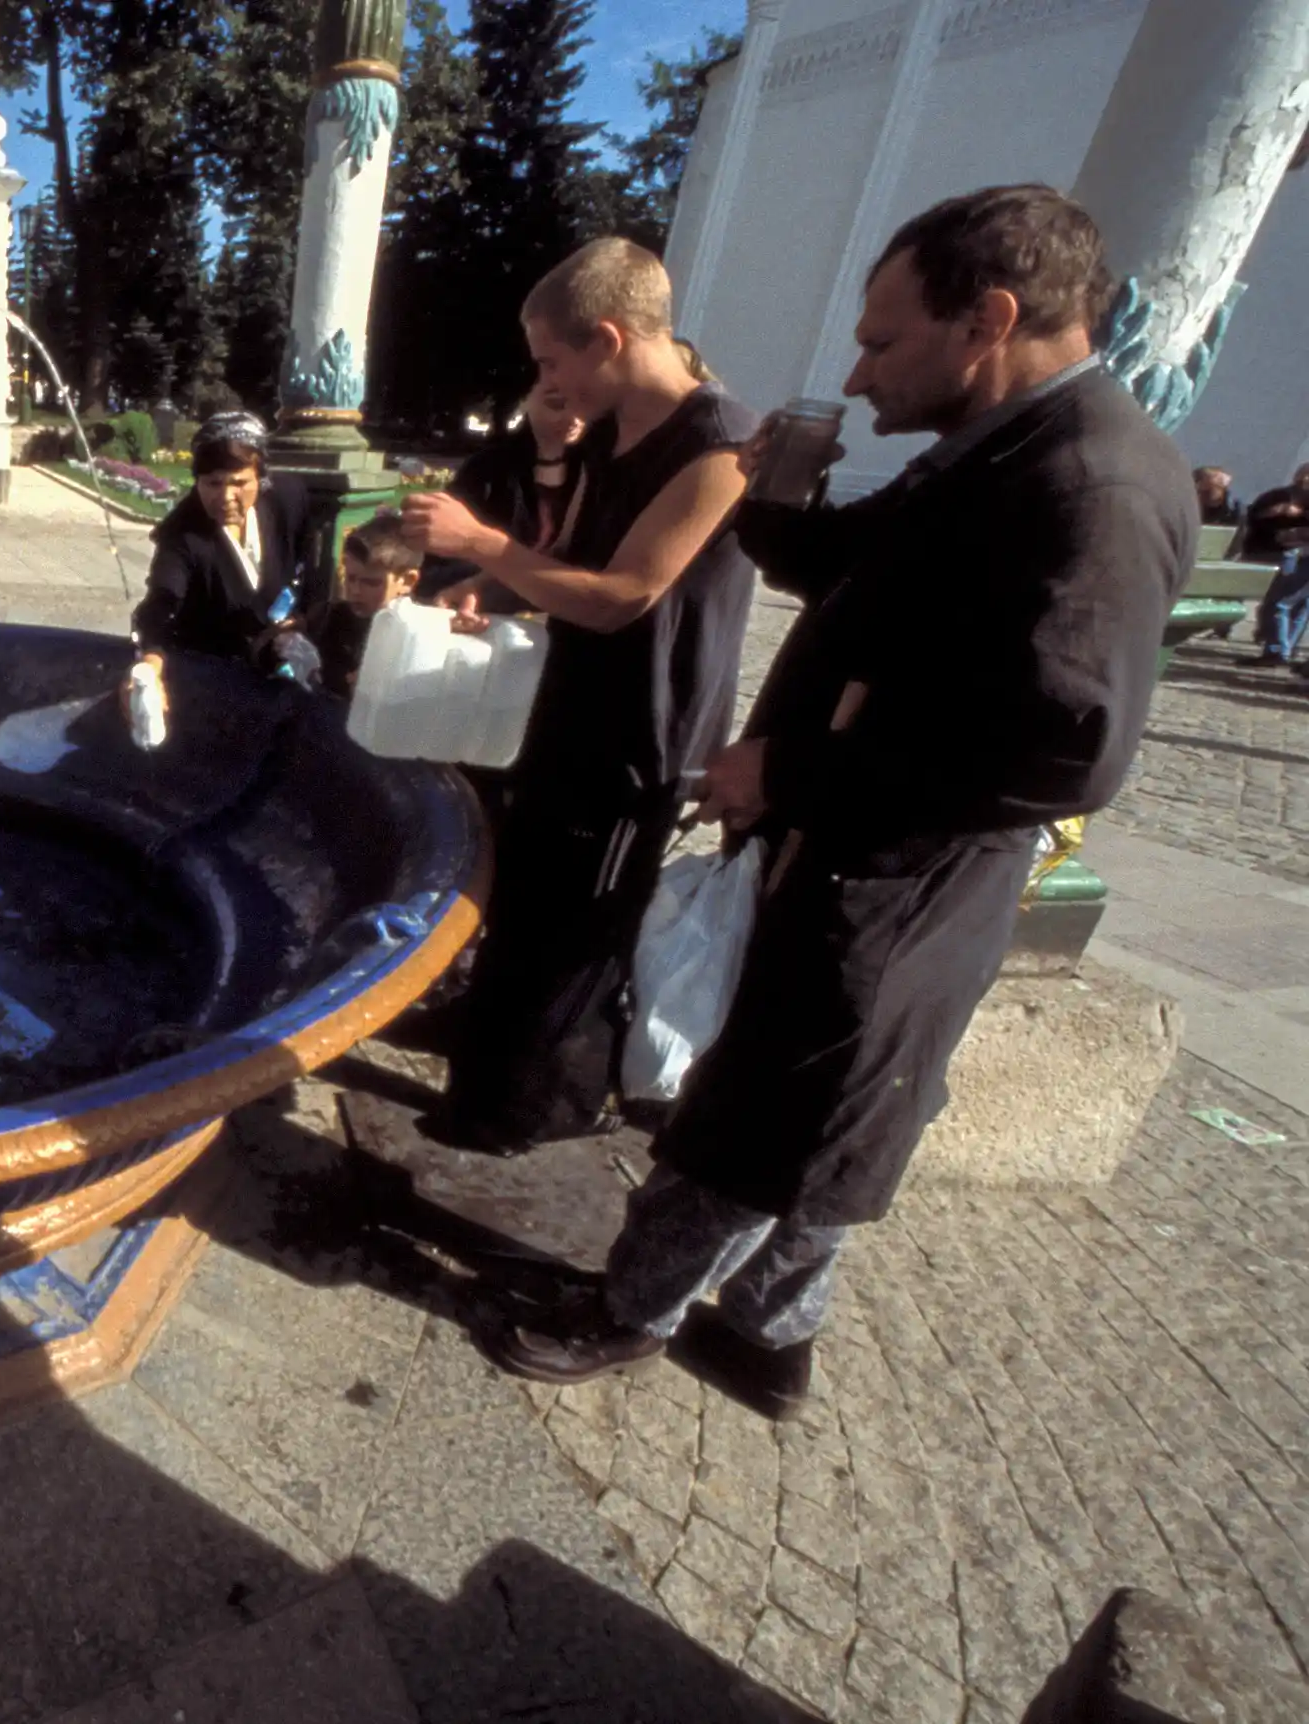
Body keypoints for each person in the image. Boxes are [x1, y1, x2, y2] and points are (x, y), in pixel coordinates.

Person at [481, 186, 1193, 1416]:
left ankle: (623, 1311)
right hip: (864, 856)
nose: (857, 376)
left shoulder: (1088, 488)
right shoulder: (993, 449)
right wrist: (773, 494)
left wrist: (789, 770)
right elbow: (843, 568)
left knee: (769, 1108)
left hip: (903, 876)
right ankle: (767, 1336)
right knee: (837, 1108)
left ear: (989, 319)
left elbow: (1063, 752)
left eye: (880, 341)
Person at [400, 238, 758, 1151]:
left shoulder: (718, 446)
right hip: (568, 717)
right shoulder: (610, 434)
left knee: (578, 937)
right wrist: (504, 588)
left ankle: (527, 1114)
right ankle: (488, 1062)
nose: (546, 382)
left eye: (552, 359)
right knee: (524, 906)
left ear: (606, 338)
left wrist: (483, 546)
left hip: (644, 737)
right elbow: (574, 570)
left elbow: (627, 596)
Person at [132, 412, 324, 702]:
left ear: (261, 478)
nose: (226, 496)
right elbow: (159, 605)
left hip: (278, 667)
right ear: (197, 481)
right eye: (213, 483)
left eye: (239, 483)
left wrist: (302, 619)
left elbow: (310, 566)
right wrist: (150, 667)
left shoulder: (288, 499)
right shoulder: (182, 534)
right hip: (211, 676)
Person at [425, 380, 591, 593]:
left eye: (584, 405)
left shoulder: (598, 468)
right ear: (526, 402)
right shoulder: (486, 468)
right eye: (557, 404)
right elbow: (443, 552)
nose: (574, 419)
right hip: (490, 596)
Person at [313, 513, 419, 698]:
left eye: (371, 583)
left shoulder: (416, 633)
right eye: (351, 578)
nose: (355, 590)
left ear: (407, 581)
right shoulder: (333, 619)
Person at [1235, 461, 1309, 563]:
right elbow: (1253, 517)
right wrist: (1276, 511)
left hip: (1298, 556)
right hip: (1265, 552)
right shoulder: (1277, 496)